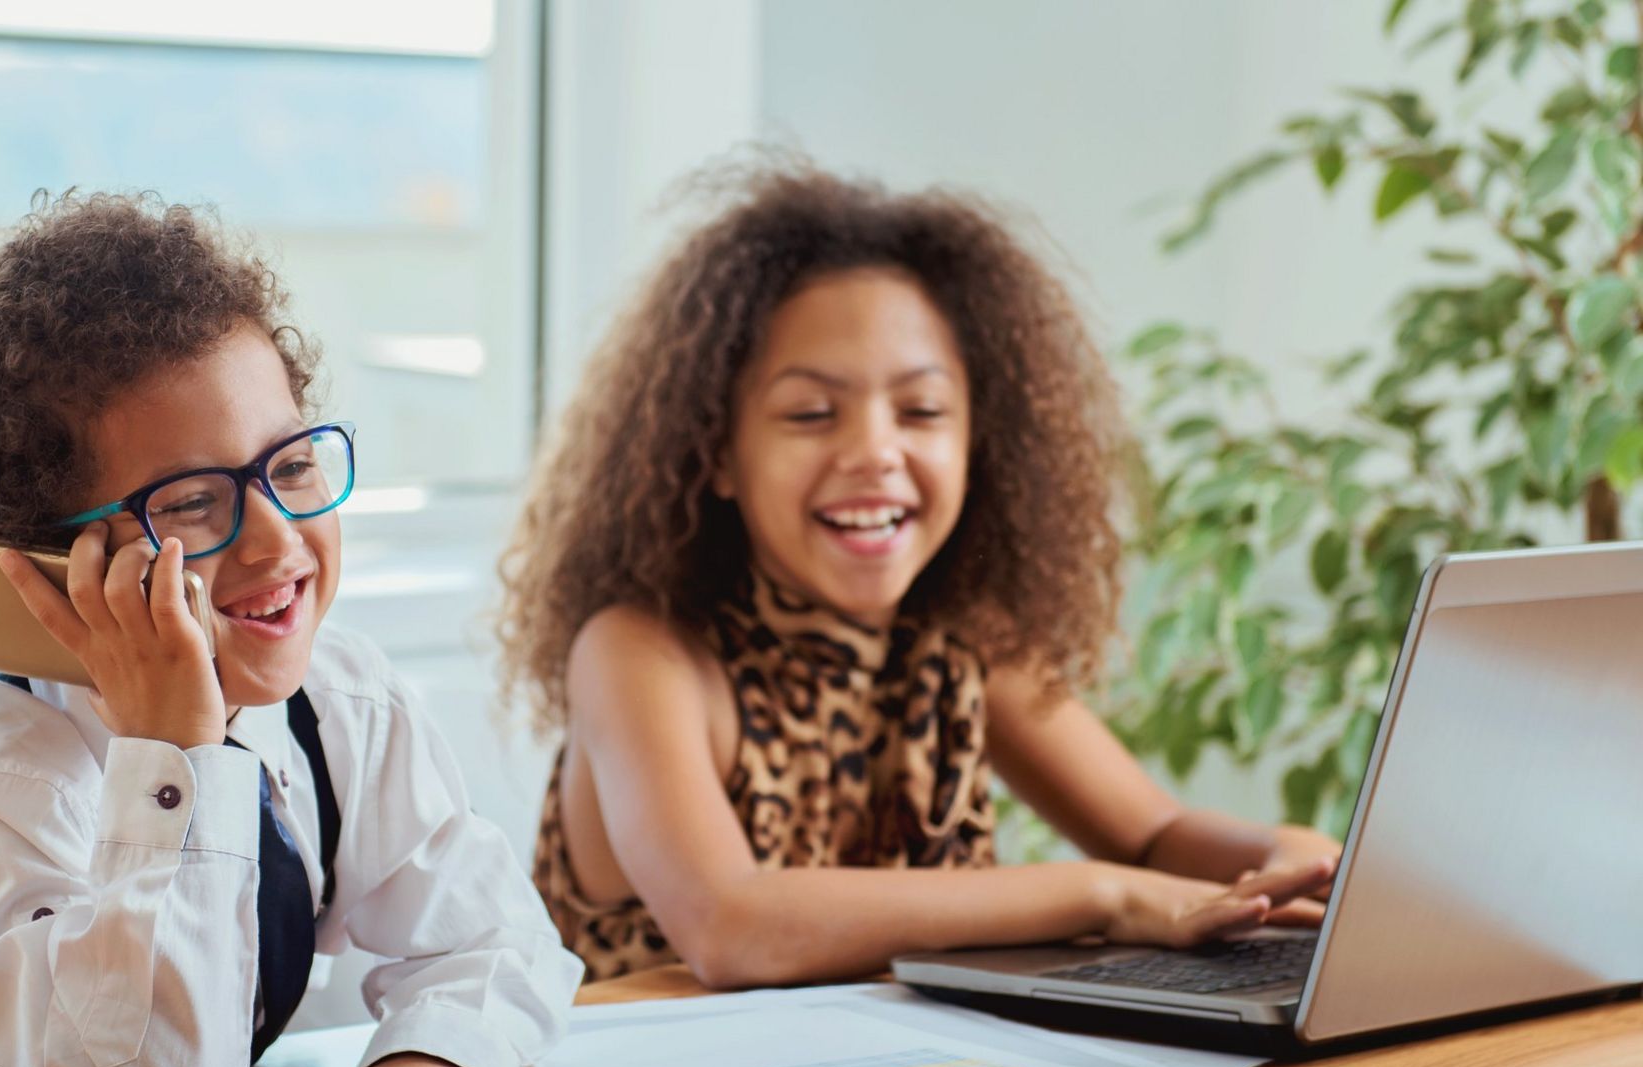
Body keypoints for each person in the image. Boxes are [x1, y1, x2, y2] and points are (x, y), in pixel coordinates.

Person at [0, 191, 596, 1067]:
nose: (275, 539)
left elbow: (496, 936)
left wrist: (436, 1047)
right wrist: (173, 751)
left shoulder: (339, 699)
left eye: (293, 465)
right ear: (42, 566)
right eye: (190, 502)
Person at [497, 162, 1340, 988]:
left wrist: (1278, 857)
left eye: (922, 411)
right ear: (715, 451)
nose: (874, 451)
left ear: (981, 442)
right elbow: (731, 926)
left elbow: (1153, 836)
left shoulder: (964, 640)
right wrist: (1101, 893)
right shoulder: (641, 654)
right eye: (811, 413)